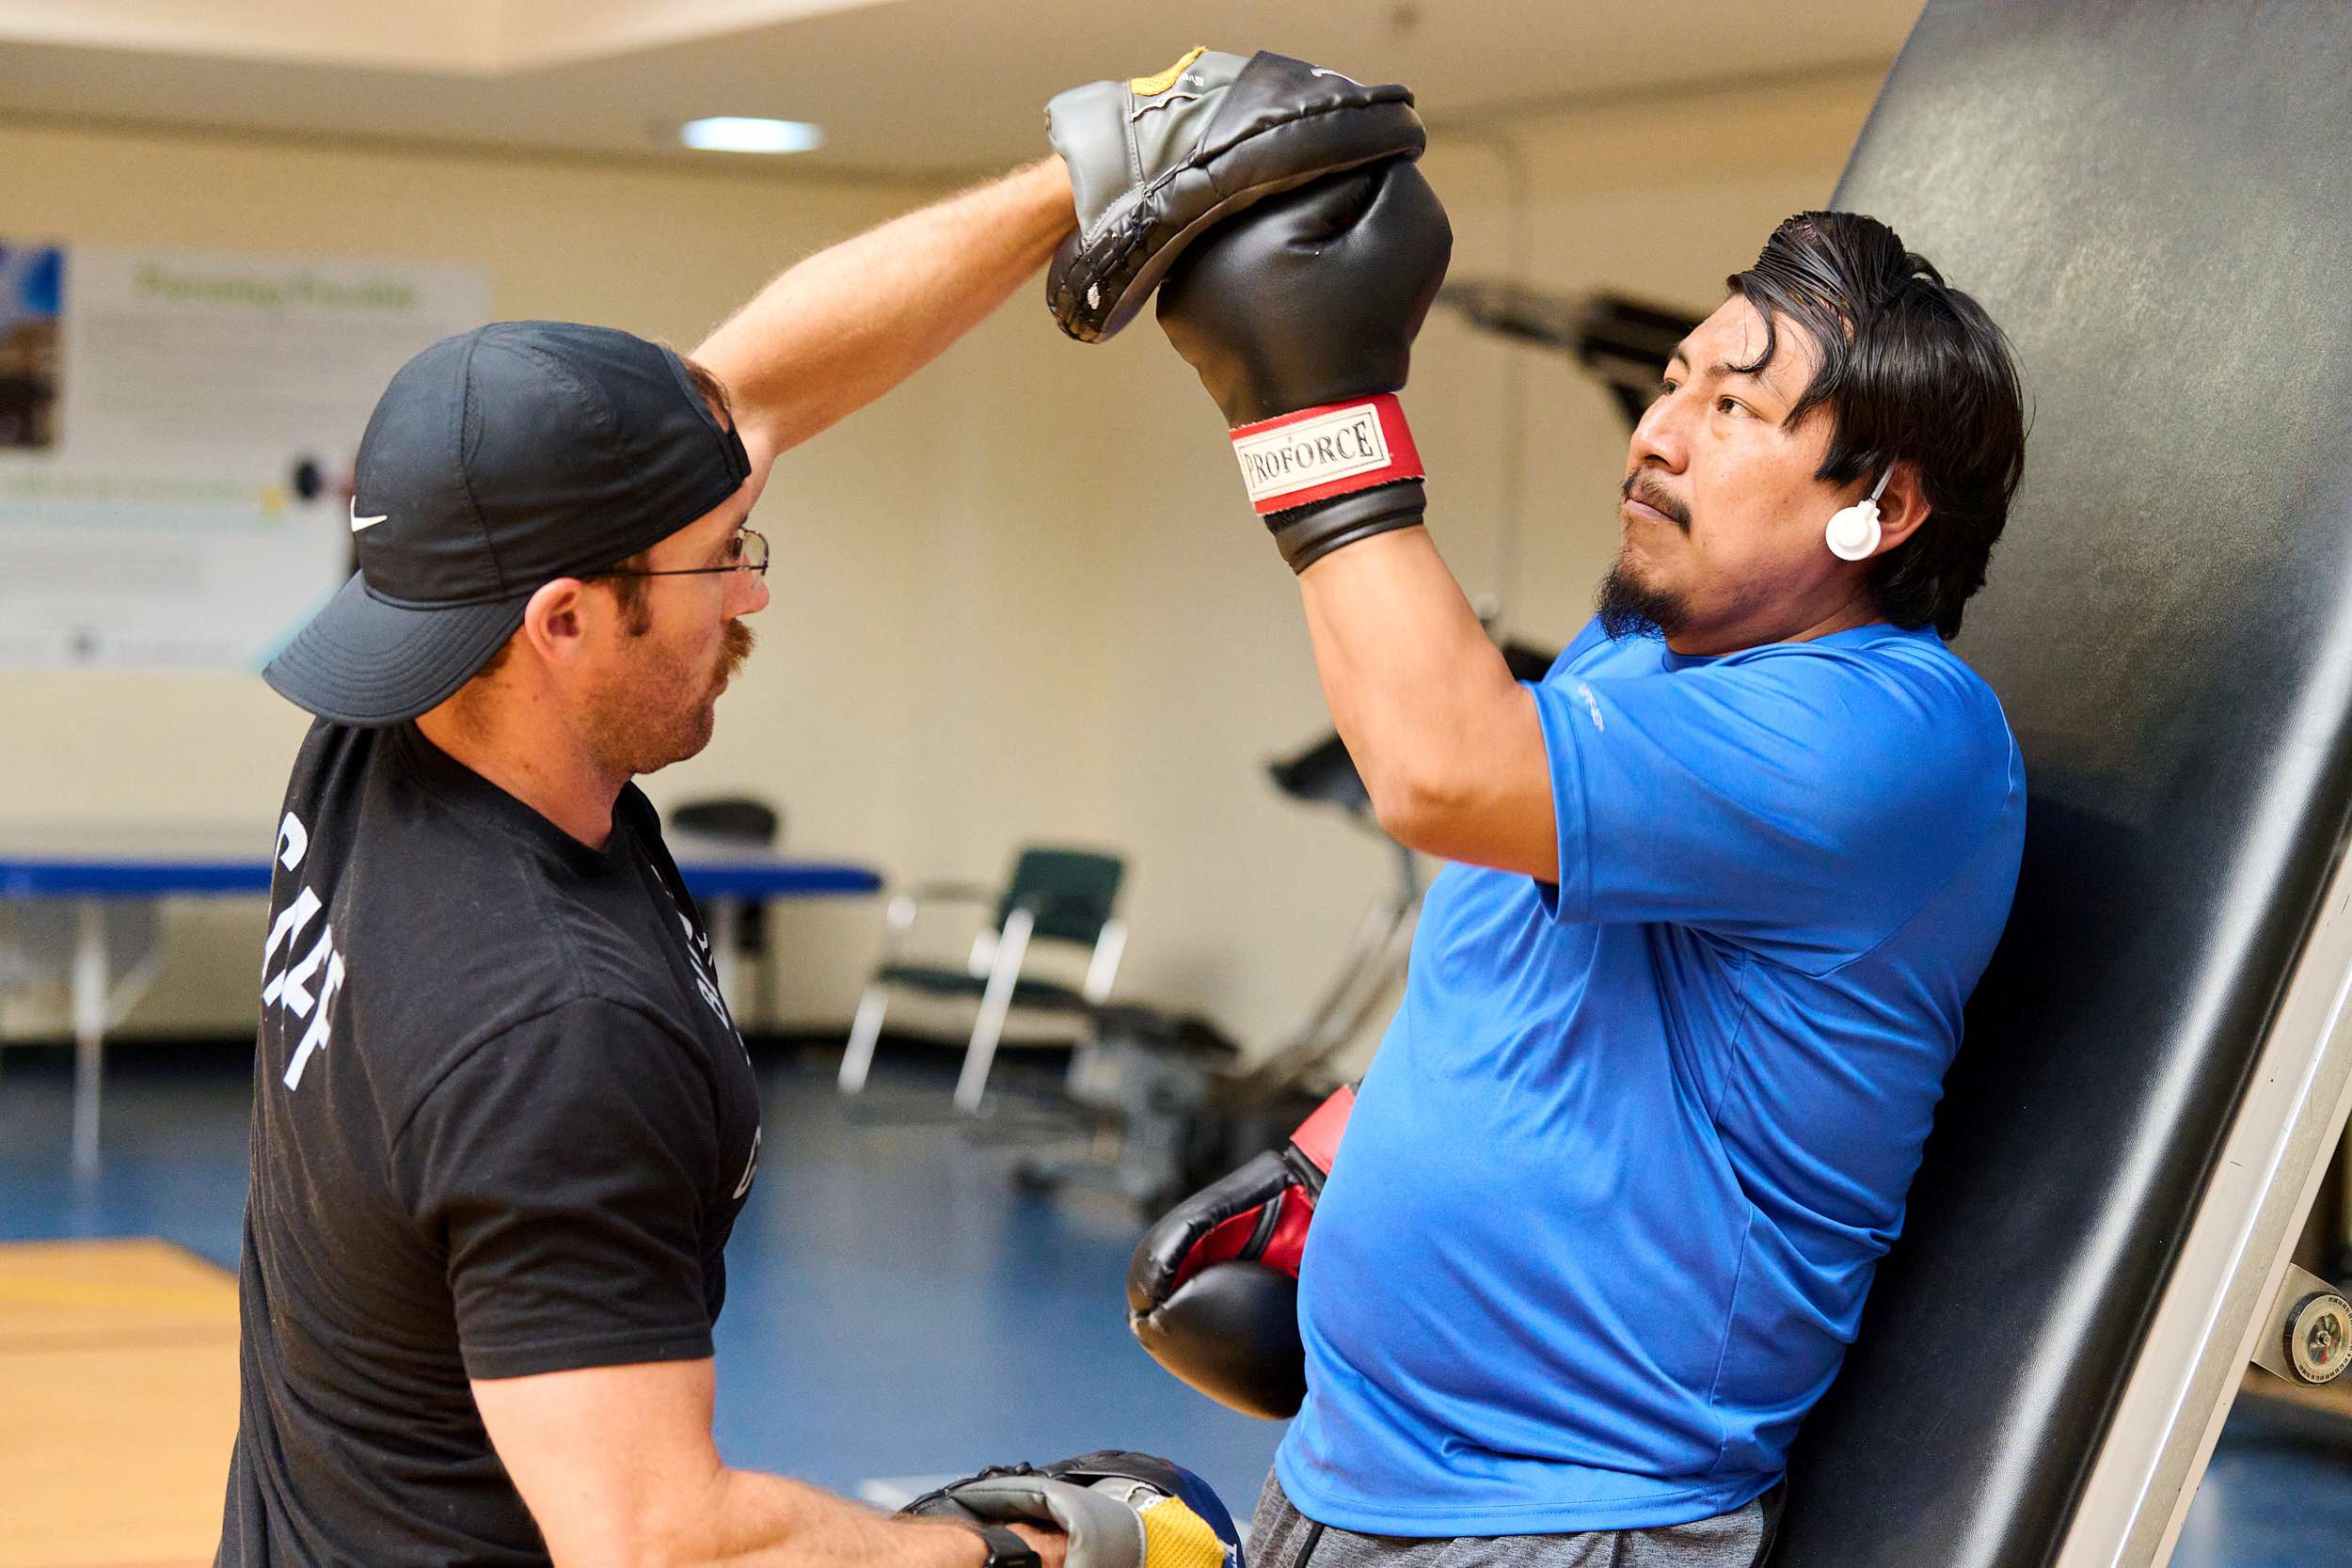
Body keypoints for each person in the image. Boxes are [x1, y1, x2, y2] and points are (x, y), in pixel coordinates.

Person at [219, 50, 1419, 1568]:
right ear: (562, 619)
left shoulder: (392, 709)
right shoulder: (554, 1030)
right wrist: (1016, 1558)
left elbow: (756, 389)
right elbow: (657, 1540)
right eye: (724, 558)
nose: (753, 590)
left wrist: (1101, 166)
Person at [1129, 166, 2029, 1568]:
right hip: (1336, 1478)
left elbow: (1436, 771)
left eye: (1732, 409)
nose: (1656, 435)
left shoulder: (1893, 738)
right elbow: (1513, 952)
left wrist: (1306, 406)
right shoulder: (1639, 647)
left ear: (1884, 504)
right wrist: (1339, 1154)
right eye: (1674, 384)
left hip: (1564, 1525)